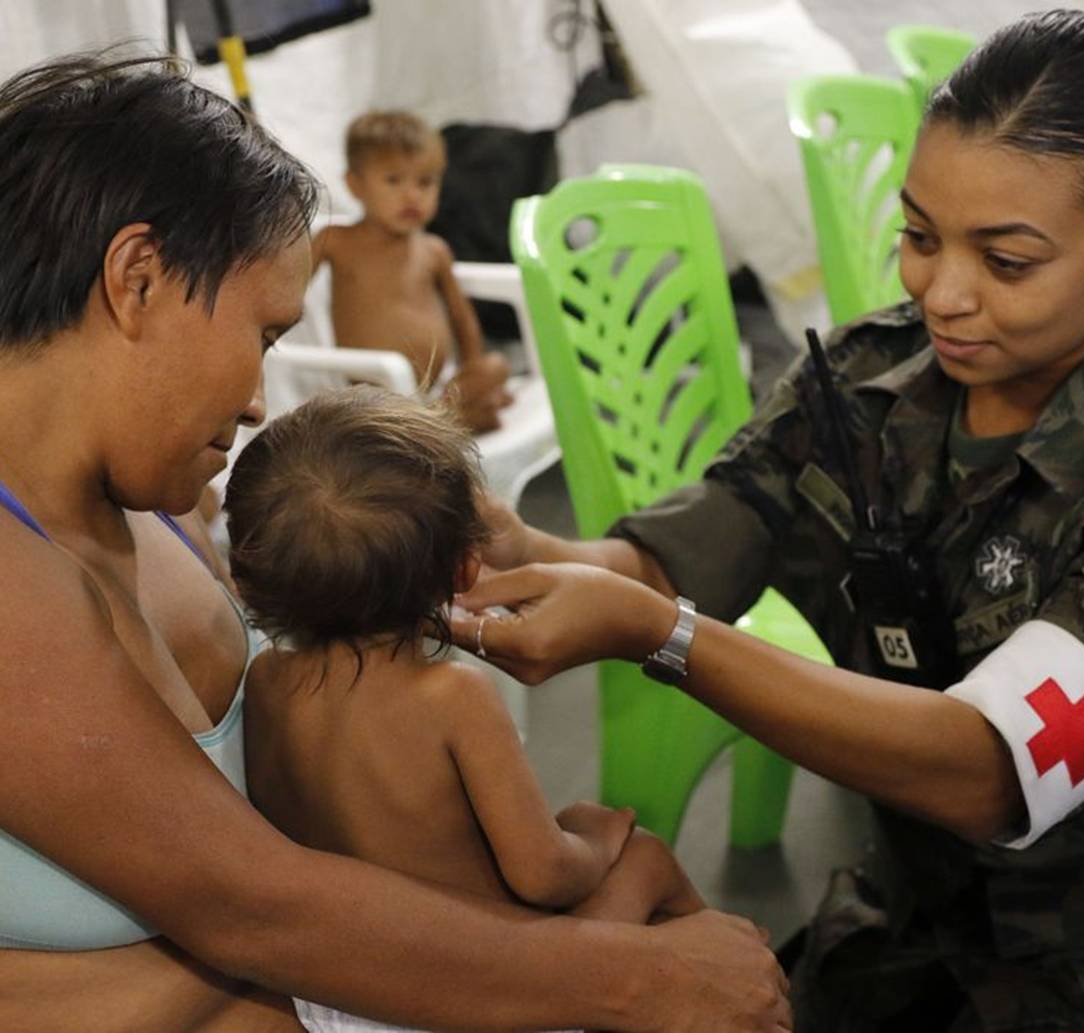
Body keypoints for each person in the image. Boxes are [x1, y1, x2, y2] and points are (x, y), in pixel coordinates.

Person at [0, 51, 791, 1032]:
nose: (256, 400)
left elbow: (265, 899)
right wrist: (635, 976)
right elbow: (252, 904)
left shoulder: (165, 500)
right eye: (266, 332)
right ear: (139, 278)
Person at [450, 10, 1084, 1031]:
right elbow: (691, 550)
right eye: (919, 236)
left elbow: (990, 766)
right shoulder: (863, 381)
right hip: (910, 922)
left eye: (1008, 261)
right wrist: (529, 551)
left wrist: (659, 638)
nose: (943, 292)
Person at [223, 385, 707, 1033]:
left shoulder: (264, 682)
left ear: (251, 579)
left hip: (343, 1002)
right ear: (466, 564)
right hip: (479, 998)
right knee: (645, 859)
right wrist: (598, 834)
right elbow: (542, 875)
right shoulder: (452, 697)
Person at [312, 110, 513, 433]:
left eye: (425, 182)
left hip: (436, 388)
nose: (412, 195)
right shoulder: (337, 242)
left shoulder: (434, 250)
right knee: (477, 406)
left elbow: (462, 316)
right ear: (355, 184)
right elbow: (287, 285)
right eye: (393, 180)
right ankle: (454, 419)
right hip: (373, 389)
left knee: (496, 366)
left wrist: (473, 364)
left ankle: (443, 416)